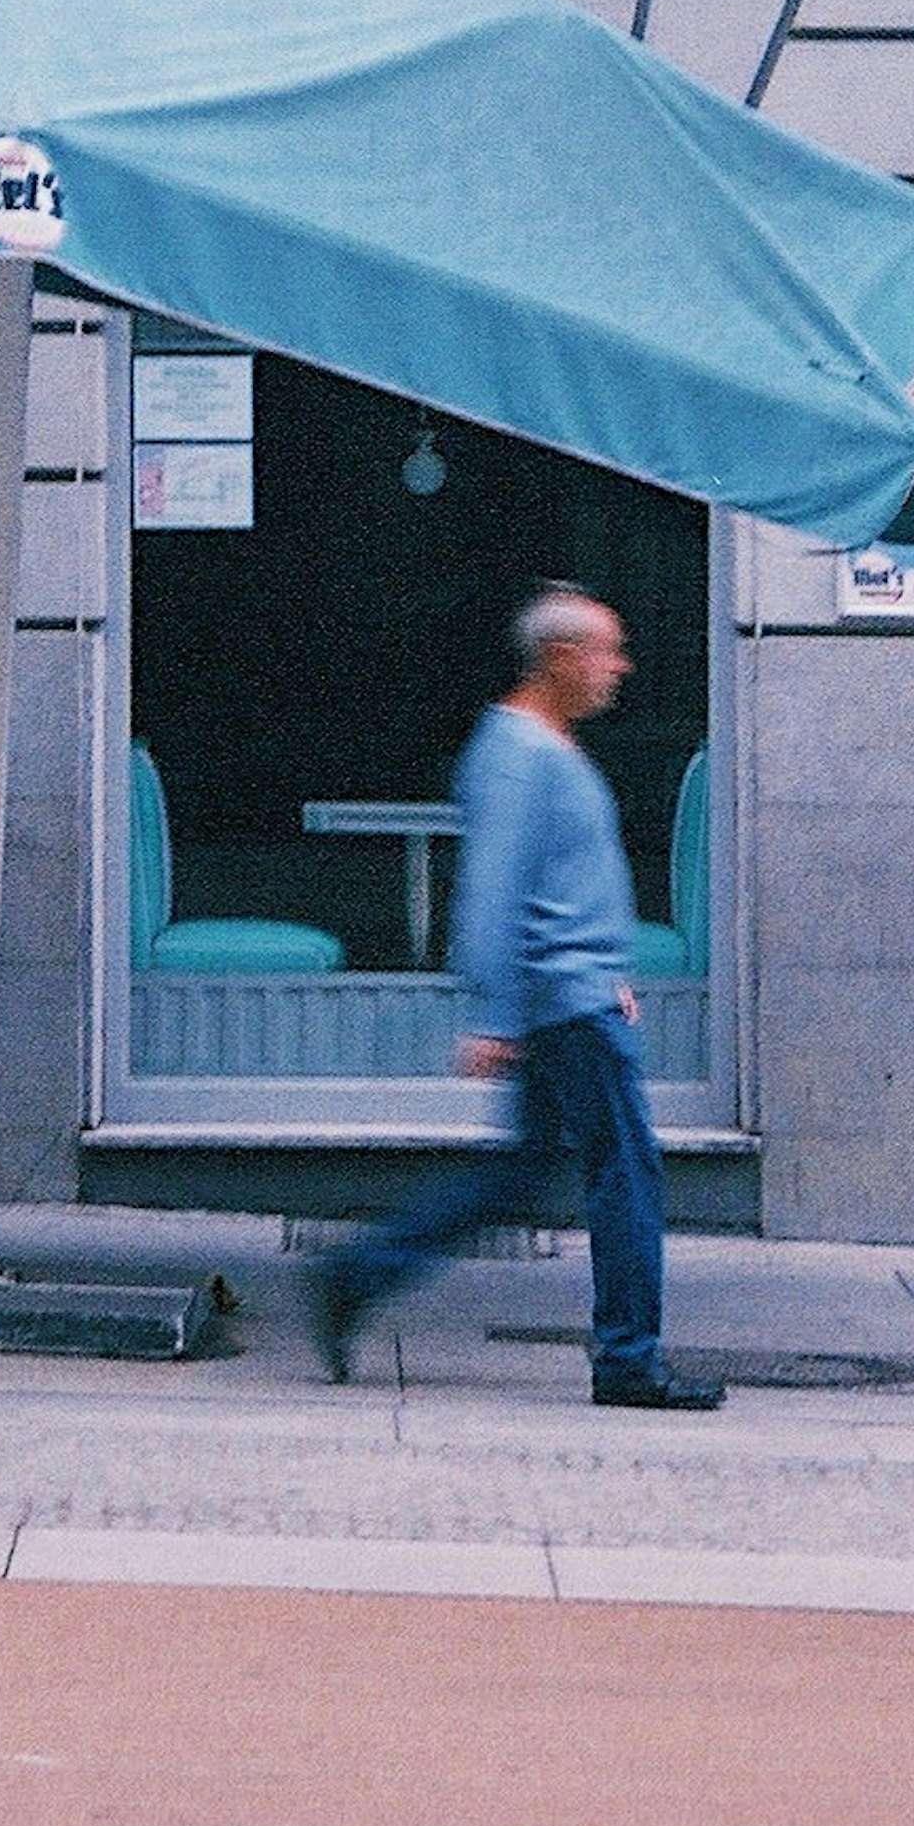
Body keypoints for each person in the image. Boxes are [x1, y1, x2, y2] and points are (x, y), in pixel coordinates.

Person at [311, 584, 724, 1410]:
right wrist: (496, 1015)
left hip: (576, 992)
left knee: (525, 1167)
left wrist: (608, 971)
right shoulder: (518, 754)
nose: (621, 668)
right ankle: (629, 1360)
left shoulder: (543, 747)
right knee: (628, 1174)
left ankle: (359, 1275)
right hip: (562, 1004)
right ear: (564, 657)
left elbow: (560, 884)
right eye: (609, 651)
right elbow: (492, 891)